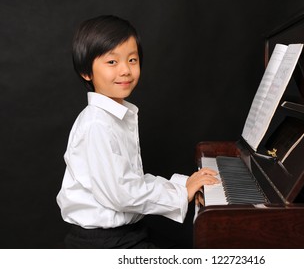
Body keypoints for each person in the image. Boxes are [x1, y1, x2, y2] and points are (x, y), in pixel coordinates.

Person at [56, 15, 218, 249]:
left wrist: (183, 187)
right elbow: (122, 194)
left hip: (127, 231)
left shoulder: (116, 116)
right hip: (102, 242)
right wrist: (181, 194)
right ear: (86, 71)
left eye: (132, 60)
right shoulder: (96, 124)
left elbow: (130, 181)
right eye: (112, 62)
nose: (125, 70)